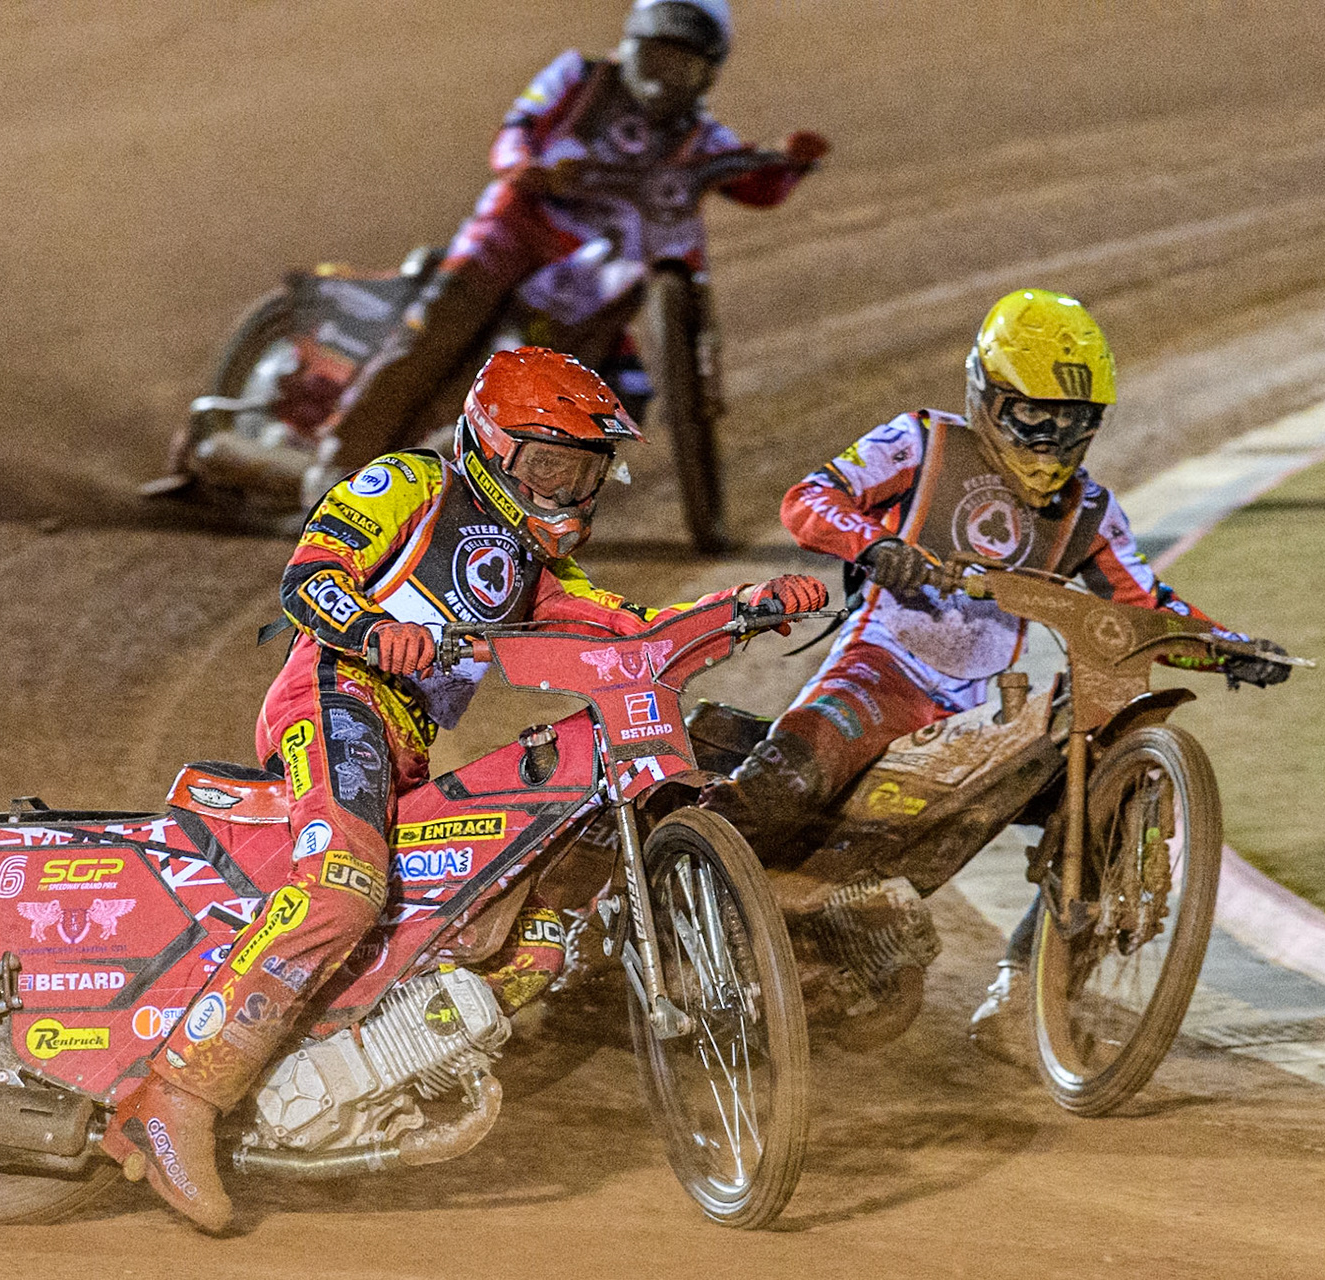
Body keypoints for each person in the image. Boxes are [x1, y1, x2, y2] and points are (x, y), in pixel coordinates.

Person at [103, 347, 826, 1231]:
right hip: (333, 694)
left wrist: (747, 606)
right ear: (491, 444)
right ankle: (175, 1096)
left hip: (404, 741)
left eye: (584, 473)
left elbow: (630, 631)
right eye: (550, 466)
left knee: (530, 940)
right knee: (343, 884)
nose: (567, 490)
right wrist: (373, 629)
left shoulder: (535, 567)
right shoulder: (410, 483)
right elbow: (309, 577)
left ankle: (348, 1070)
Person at [698, 288, 1289, 1056]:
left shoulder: (1090, 511)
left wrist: (1228, 646)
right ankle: (682, 885)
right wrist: (875, 545)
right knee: (795, 770)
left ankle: (1026, 997)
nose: (1050, 442)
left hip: (982, 714)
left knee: (1115, 791)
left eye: (1071, 424)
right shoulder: (920, 442)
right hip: (883, 669)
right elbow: (809, 499)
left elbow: (1144, 607)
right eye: (1033, 418)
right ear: (987, 394)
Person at [321, 0, 828, 469]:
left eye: (682, 68)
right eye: (655, 60)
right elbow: (517, 127)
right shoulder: (580, 76)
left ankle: (466, 473)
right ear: (631, 47)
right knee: (435, 329)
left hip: (597, 269)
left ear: (707, 75)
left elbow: (753, 185)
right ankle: (337, 459)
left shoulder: (701, 136)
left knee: (564, 384)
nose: (662, 81)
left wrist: (791, 164)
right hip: (516, 226)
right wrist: (526, 166)